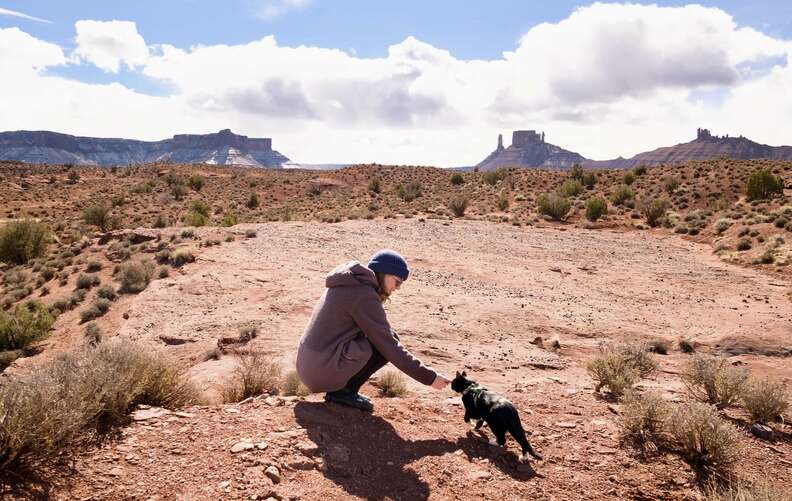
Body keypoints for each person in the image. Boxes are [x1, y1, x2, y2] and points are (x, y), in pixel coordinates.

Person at [296, 249, 450, 411]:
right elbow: (389, 346)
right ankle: (342, 393)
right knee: (383, 345)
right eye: (397, 282)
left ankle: (343, 391)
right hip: (320, 369)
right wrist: (430, 378)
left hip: (310, 364)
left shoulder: (349, 282)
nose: (397, 288)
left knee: (382, 338)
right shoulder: (363, 295)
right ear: (384, 274)